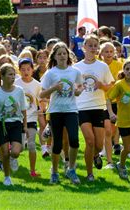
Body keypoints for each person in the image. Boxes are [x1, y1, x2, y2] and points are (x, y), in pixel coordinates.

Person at [40, 42, 83, 184]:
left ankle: (71, 169)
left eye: (64, 53)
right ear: (54, 57)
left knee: (74, 140)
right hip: (56, 111)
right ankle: (54, 172)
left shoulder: (74, 71)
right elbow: (42, 94)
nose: (62, 56)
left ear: (68, 55)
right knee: (57, 144)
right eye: (59, 54)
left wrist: (78, 91)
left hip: (71, 110)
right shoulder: (50, 73)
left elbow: (80, 85)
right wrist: (53, 88)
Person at [73, 35, 114, 182]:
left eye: (95, 45)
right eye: (89, 45)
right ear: (83, 48)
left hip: (99, 108)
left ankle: (96, 155)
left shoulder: (103, 66)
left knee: (97, 144)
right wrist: (77, 88)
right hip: (82, 108)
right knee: (89, 141)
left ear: (97, 48)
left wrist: (102, 86)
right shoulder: (76, 68)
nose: (92, 48)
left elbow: (111, 85)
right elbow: (73, 88)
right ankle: (90, 173)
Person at [0, 64, 28, 186]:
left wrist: (24, 125)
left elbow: (24, 109)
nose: (13, 77)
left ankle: (11, 160)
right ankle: (6, 177)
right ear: (2, 76)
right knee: (4, 152)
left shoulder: (19, 91)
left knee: (15, 152)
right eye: (10, 74)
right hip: (2, 124)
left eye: (14, 74)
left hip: (16, 123)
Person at [14, 58, 43, 177]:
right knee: (20, 148)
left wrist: (41, 108)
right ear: (19, 70)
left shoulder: (37, 84)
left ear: (32, 69)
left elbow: (40, 99)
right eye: (23, 69)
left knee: (31, 145)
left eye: (28, 69)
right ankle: (12, 157)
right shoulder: (16, 83)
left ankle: (32, 170)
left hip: (31, 118)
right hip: (17, 118)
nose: (26, 72)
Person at [99, 42, 122, 168]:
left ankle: (105, 146)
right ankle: (109, 161)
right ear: (101, 53)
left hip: (116, 102)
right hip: (101, 102)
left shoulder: (119, 65)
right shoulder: (98, 66)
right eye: (106, 52)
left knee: (112, 131)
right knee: (107, 130)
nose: (108, 54)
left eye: (111, 52)